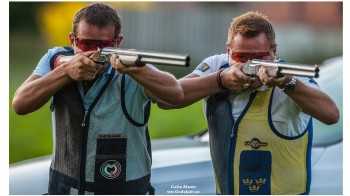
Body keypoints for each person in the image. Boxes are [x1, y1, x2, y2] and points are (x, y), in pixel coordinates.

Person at [158, 11, 339, 195]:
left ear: (273, 52)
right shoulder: (216, 67)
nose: (250, 65)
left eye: (259, 57)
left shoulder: (289, 76)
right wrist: (219, 80)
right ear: (228, 50)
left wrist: (287, 83)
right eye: (241, 57)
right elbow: (166, 99)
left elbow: (331, 115)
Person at [12, 3, 184, 195]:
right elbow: (20, 104)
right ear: (73, 40)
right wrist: (65, 73)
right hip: (64, 188)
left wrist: (138, 70)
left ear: (117, 42)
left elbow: (176, 94)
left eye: (104, 46)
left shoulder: (133, 67)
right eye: (86, 44)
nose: (94, 53)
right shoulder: (56, 59)